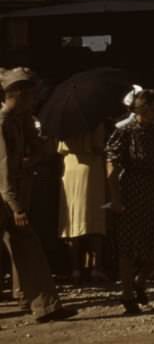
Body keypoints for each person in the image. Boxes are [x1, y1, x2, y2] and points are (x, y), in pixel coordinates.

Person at [0, 68, 76, 323]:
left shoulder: (20, 120)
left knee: (29, 245)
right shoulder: (2, 123)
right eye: (32, 95)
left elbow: (34, 153)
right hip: (6, 195)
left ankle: (45, 306)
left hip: (12, 192)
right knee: (26, 243)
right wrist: (17, 207)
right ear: (19, 94)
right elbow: (4, 170)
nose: (36, 99)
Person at [106, 89, 154, 315]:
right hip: (132, 192)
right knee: (129, 247)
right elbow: (112, 166)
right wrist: (115, 198)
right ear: (142, 110)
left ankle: (140, 280)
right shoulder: (124, 131)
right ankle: (127, 295)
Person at [57, 121, 108, 283]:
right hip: (91, 166)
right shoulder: (95, 121)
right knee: (95, 219)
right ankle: (96, 267)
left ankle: (75, 269)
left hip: (70, 167)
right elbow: (98, 146)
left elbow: (60, 148)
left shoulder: (63, 121)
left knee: (71, 218)